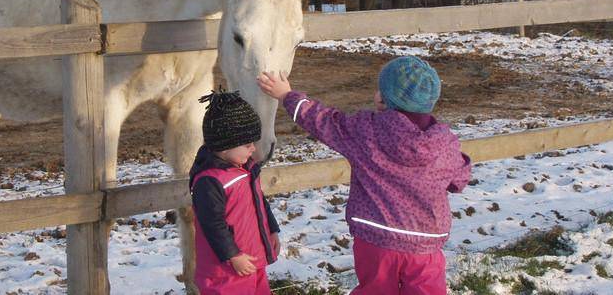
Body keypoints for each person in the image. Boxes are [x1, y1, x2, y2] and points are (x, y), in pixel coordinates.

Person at [257, 56, 471, 295]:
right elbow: (459, 180)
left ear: (381, 98)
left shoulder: (365, 129)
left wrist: (287, 96)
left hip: (376, 238)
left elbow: (322, 120)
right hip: (425, 244)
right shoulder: (444, 144)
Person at [189, 88, 281, 295]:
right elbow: (212, 224)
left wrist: (272, 231)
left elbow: (260, 202)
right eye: (247, 145)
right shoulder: (210, 181)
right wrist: (233, 255)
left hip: (253, 261)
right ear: (224, 145)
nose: (253, 150)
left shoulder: (246, 168)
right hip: (226, 271)